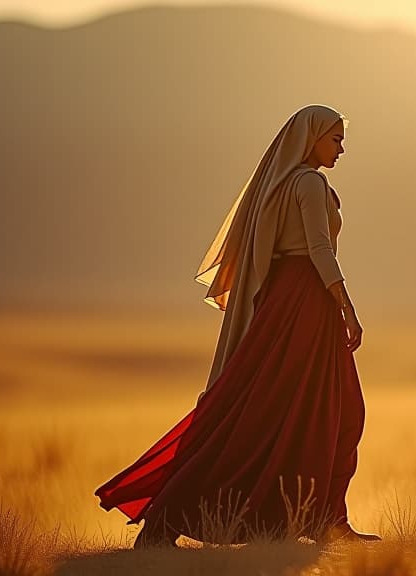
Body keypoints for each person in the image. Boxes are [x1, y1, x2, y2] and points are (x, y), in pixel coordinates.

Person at [94, 104, 380, 548]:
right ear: (313, 139)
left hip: (292, 301)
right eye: (335, 140)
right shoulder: (308, 183)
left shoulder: (285, 183)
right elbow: (321, 251)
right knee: (329, 411)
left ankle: (326, 517)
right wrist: (348, 308)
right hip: (306, 302)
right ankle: (319, 518)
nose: (341, 149)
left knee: (285, 410)